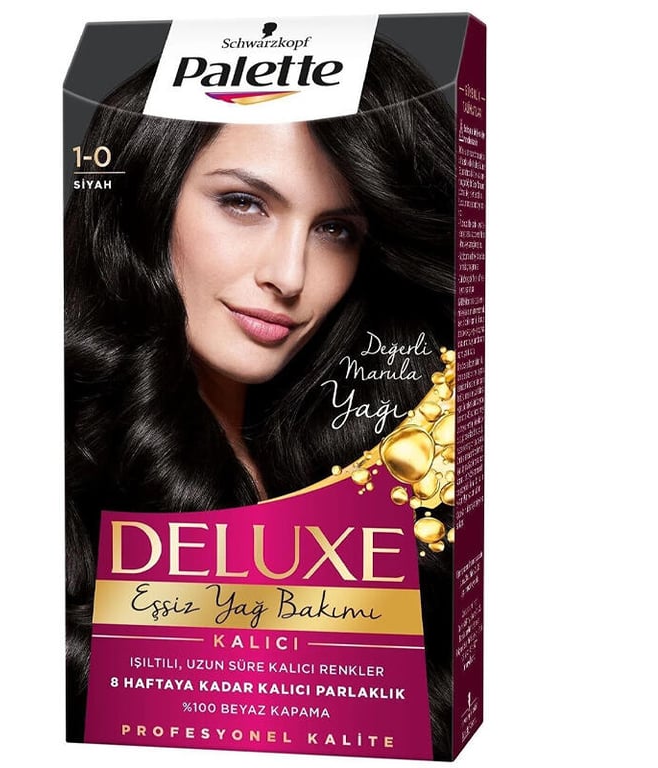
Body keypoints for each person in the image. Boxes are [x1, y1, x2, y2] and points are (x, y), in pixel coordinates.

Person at [65, 37, 455, 755]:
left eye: (336, 230)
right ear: (148, 196)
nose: (290, 275)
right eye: (243, 203)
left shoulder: (377, 464)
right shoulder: (65, 465)